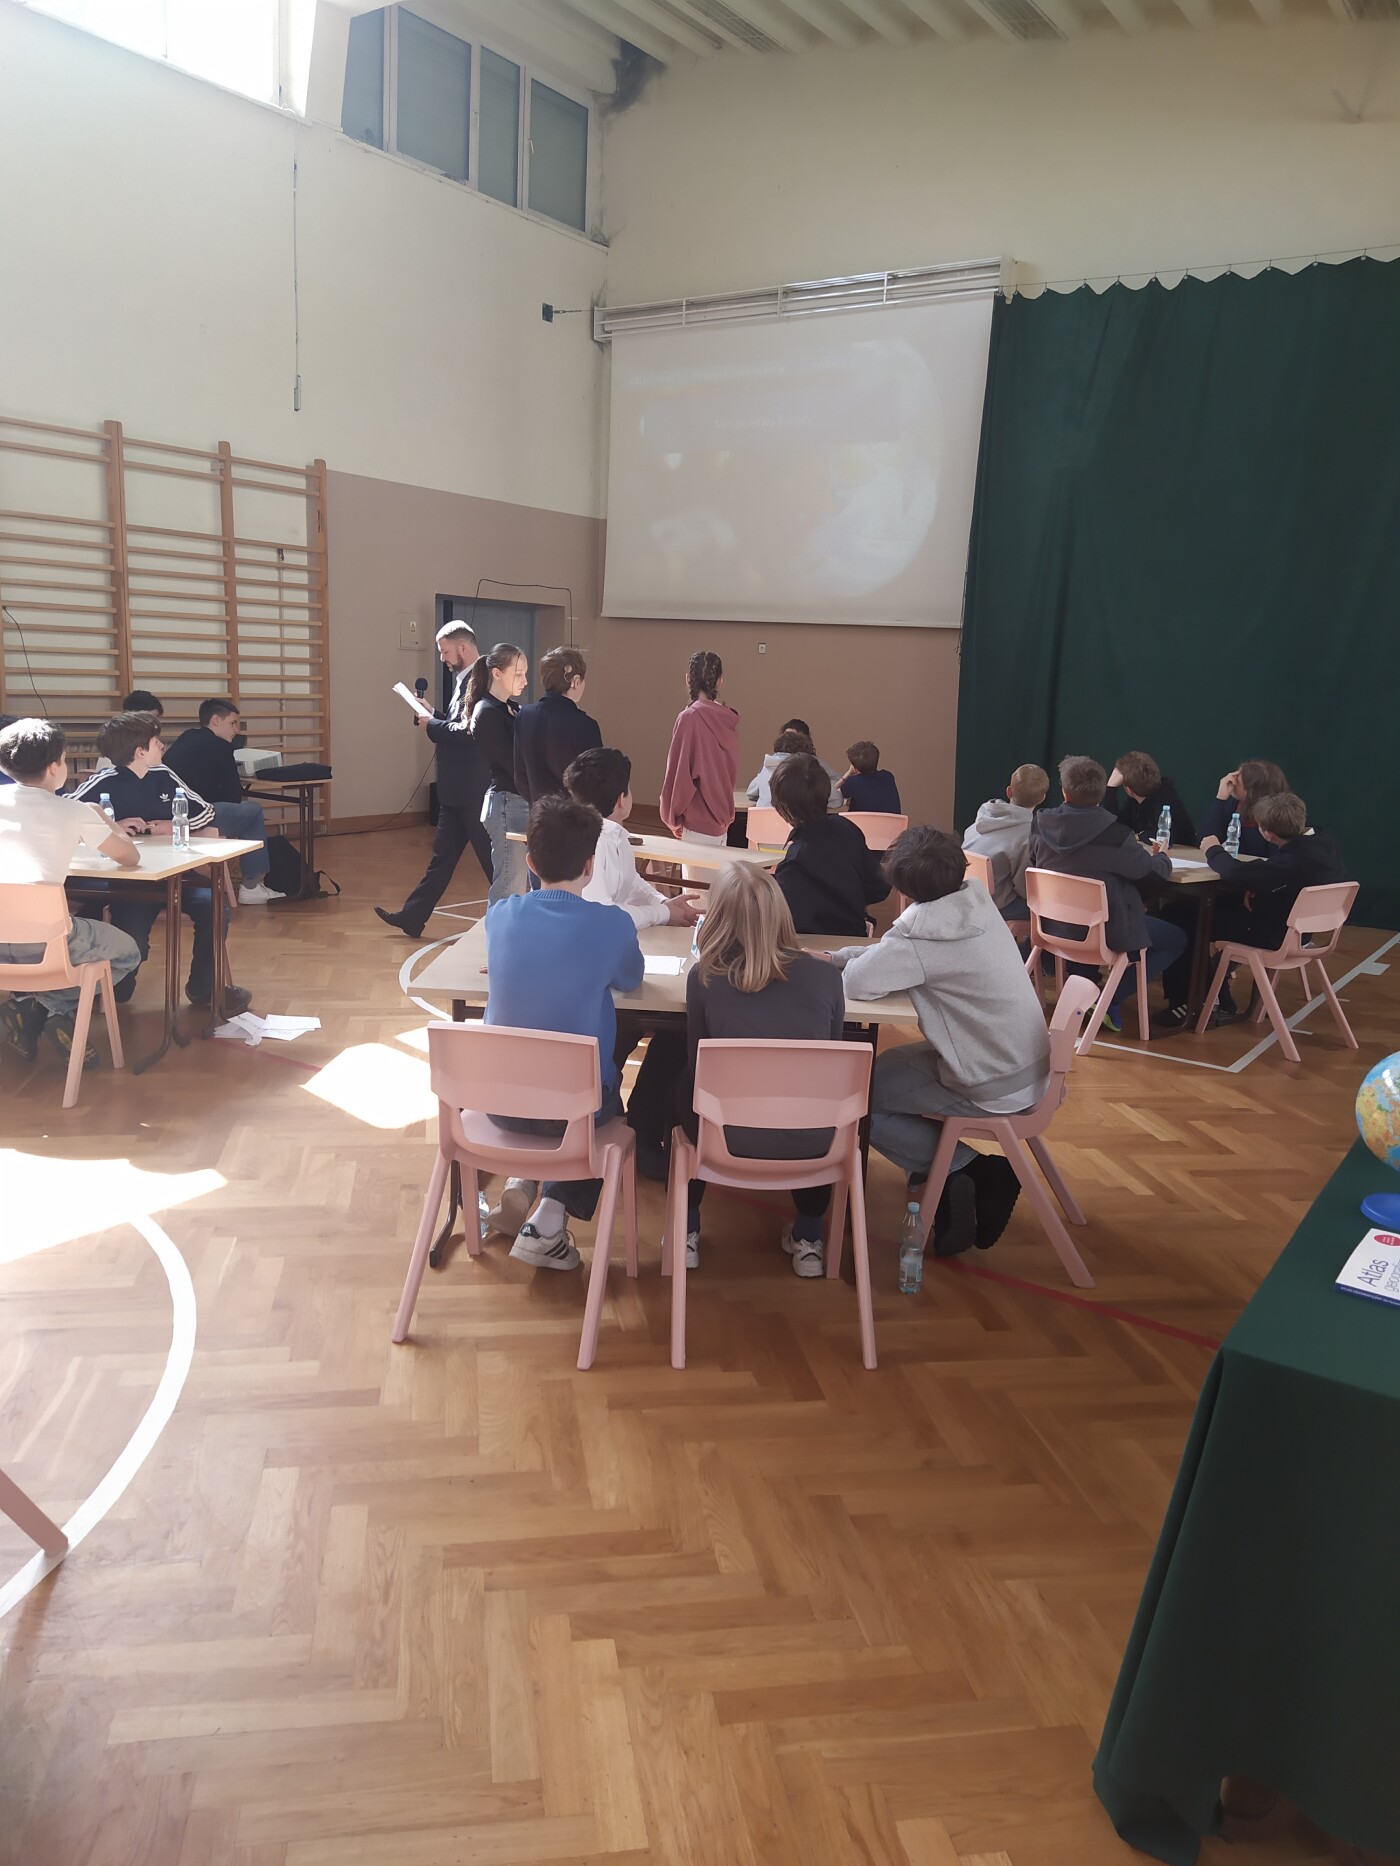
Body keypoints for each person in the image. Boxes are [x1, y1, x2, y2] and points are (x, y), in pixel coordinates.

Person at [828, 826, 1040, 1255]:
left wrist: (836, 963)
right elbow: (888, 957)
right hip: (1026, 1065)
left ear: (903, 890)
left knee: (858, 1098)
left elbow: (858, 983)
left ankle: (967, 1169)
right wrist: (839, 957)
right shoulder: (976, 903)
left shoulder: (922, 935)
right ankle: (940, 1176)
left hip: (990, 1078)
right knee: (884, 1071)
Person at [483, 795, 643, 1270]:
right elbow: (631, 978)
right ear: (590, 866)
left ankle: (521, 1179)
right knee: (603, 1098)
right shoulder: (611, 925)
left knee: (553, 1077)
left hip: (499, 1105)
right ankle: (549, 1218)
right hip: (572, 1114)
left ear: (530, 863)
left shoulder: (500, 915)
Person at [672, 863, 848, 1276]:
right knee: (816, 1100)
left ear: (717, 918)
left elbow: (698, 1061)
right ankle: (809, 1236)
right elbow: (831, 1058)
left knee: (683, 1087)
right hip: (813, 1135)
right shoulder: (827, 978)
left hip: (724, 1133)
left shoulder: (704, 977)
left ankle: (687, 1229)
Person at [564, 745, 702, 1186]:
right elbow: (606, 914)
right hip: (601, 972)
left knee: (643, 1027)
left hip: (605, 962)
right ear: (622, 798)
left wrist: (665, 903)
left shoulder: (612, 836)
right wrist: (663, 913)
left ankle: (630, 1122)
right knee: (655, 1026)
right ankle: (634, 1129)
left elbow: (632, 883)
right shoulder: (601, 839)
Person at [68, 711, 252, 1016]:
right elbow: (67, 813)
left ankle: (203, 988)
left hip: (177, 877)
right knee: (132, 946)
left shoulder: (164, 775)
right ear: (140, 751)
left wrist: (175, 824)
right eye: (156, 741)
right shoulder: (105, 781)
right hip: (133, 884)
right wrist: (112, 824)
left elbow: (206, 811)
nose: (162, 745)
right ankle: (117, 986)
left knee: (215, 908)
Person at [0, 717, 142, 1064]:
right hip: (47, 941)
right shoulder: (73, 811)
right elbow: (130, 856)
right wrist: (102, 817)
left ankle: (26, 1005)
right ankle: (50, 1007)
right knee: (127, 952)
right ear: (54, 767)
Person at [1026, 755, 1186, 1031]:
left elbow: (1033, 862)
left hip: (1051, 926)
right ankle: (1105, 998)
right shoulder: (1117, 835)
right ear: (1101, 793)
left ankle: (1086, 991)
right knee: (1176, 938)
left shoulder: (1040, 823)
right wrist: (1163, 857)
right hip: (1101, 933)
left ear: (1064, 791)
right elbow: (1152, 874)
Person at [375, 620, 493, 937]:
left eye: (445, 651)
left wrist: (432, 724)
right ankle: (413, 917)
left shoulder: (481, 681)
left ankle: (522, 922)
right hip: (456, 791)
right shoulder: (464, 680)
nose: (442, 658)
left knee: (495, 865)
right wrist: (434, 713)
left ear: (463, 647)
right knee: (442, 860)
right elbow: (457, 723)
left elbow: (469, 733)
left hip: (472, 791)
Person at [164, 698, 280, 904]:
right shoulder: (221, 746)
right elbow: (233, 797)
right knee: (253, 812)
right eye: (232, 723)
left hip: (170, 814)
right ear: (216, 720)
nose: (236, 730)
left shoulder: (186, 737)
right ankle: (252, 886)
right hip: (197, 816)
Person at [771, 753, 888, 937]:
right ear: (827, 794)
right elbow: (878, 888)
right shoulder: (848, 829)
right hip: (854, 941)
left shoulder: (793, 864)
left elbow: (786, 924)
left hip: (808, 949)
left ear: (780, 808)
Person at [660, 650, 740, 876]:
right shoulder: (728, 720)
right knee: (716, 893)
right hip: (722, 821)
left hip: (697, 822)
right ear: (719, 681)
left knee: (696, 895)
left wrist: (672, 817)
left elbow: (679, 774)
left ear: (688, 679)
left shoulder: (689, 718)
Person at [466, 642, 530, 907]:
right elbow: (513, 764)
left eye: (525, 673)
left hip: (517, 802)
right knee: (508, 887)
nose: (525, 680)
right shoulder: (487, 712)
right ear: (497, 673)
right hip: (506, 804)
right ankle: (499, 934)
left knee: (519, 885)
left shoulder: (510, 708)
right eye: (518, 674)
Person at [513, 646, 601, 807]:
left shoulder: (524, 716)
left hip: (539, 812)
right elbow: (595, 782)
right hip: (574, 815)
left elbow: (521, 778)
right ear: (575, 682)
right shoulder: (585, 725)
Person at [962, 763, 1049, 920]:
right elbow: (1024, 889)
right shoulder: (1028, 835)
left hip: (966, 895)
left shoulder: (979, 820)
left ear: (1009, 791)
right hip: (995, 905)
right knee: (1045, 908)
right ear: (1042, 798)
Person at [1198, 758, 1288, 860]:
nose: (1232, 782)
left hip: (1257, 867)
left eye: (1237, 779)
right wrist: (1220, 798)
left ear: (1252, 789)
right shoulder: (1234, 803)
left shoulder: (1277, 814)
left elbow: (1277, 859)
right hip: (1233, 864)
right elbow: (1205, 841)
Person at [1108, 751, 1197, 850]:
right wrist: (1111, 789)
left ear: (1129, 790)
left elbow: (1164, 838)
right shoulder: (1135, 802)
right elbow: (1114, 827)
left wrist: (1140, 836)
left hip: (1185, 853)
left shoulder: (1165, 797)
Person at [746, 728, 816, 811]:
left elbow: (751, 792)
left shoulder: (768, 764)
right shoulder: (803, 769)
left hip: (764, 817)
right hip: (793, 818)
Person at [839, 741, 902, 816]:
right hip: (892, 823)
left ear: (855, 768)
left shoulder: (852, 783)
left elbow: (831, 795)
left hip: (861, 823)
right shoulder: (888, 777)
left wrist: (847, 774)